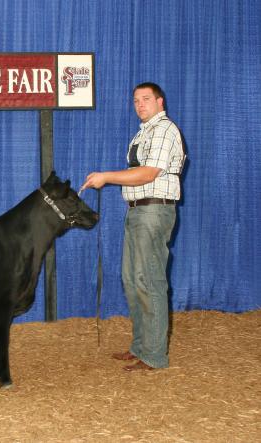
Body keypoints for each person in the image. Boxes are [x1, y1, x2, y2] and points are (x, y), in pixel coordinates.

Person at [81, 82, 185, 371]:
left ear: (160, 102)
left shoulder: (165, 130)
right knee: (132, 279)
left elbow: (148, 173)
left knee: (149, 280)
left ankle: (154, 355)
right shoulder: (145, 132)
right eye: (136, 100)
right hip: (138, 212)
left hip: (153, 211)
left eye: (146, 99)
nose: (140, 105)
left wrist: (106, 177)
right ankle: (141, 346)